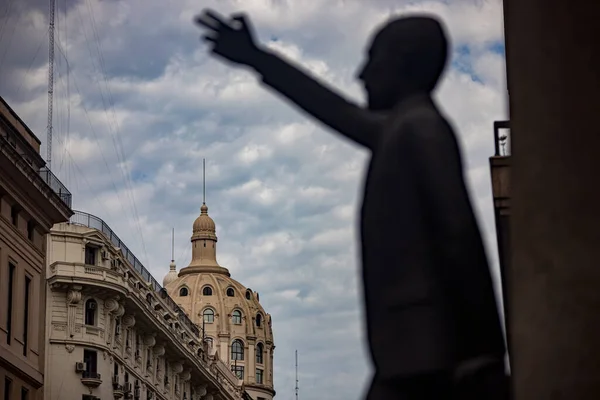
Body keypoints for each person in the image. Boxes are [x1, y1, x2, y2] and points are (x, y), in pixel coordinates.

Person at [195, 10, 508, 400]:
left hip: (425, 356)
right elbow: (336, 110)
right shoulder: (402, 128)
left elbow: (461, 240)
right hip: (409, 354)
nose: (361, 74)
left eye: (372, 59)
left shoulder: (422, 129)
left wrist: (486, 355)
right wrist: (257, 59)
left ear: (402, 64)